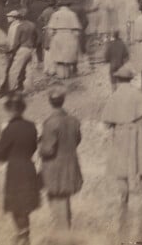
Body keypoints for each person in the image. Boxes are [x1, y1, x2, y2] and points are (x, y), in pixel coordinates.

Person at [101, 65, 142, 207]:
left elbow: (107, 122)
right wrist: (140, 128)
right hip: (136, 132)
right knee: (141, 163)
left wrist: (115, 126)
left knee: (120, 167)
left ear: (119, 80)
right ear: (130, 80)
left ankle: (123, 195)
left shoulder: (114, 96)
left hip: (120, 133)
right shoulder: (137, 94)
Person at [0, 93, 40, 245]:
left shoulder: (9, 129)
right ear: (22, 109)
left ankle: (22, 236)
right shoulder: (31, 126)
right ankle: (25, 234)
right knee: (25, 205)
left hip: (14, 170)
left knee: (15, 206)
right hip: (28, 167)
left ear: (9, 110)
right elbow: (33, 147)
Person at [39, 86, 83, 232]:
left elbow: (48, 150)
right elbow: (77, 140)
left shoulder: (50, 123)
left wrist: (39, 146)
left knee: (57, 202)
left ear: (50, 102)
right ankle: (66, 231)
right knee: (65, 200)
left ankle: (62, 235)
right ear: (63, 101)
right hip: (70, 164)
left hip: (54, 168)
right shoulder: (74, 120)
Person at [46, 0, 82, 79]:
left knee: (59, 57)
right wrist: (75, 37)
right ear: (68, 6)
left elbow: (51, 29)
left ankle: (61, 75)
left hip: (58, 35)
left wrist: (51, 37)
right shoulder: (72, 14)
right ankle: (67, 75)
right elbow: (76, 29)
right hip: (69, 35)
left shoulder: (55, 14)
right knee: (68, 56)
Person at [4, 9, 37, 93]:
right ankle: (30, 88)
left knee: (14, 70)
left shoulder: (20, 26)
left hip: (22, 48)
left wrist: (12, 51)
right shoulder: (32, 25)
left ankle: (11, 89)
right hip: (31, 48)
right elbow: (36, 36)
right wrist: (34, 47)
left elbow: (16, 42)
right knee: (29, 70)